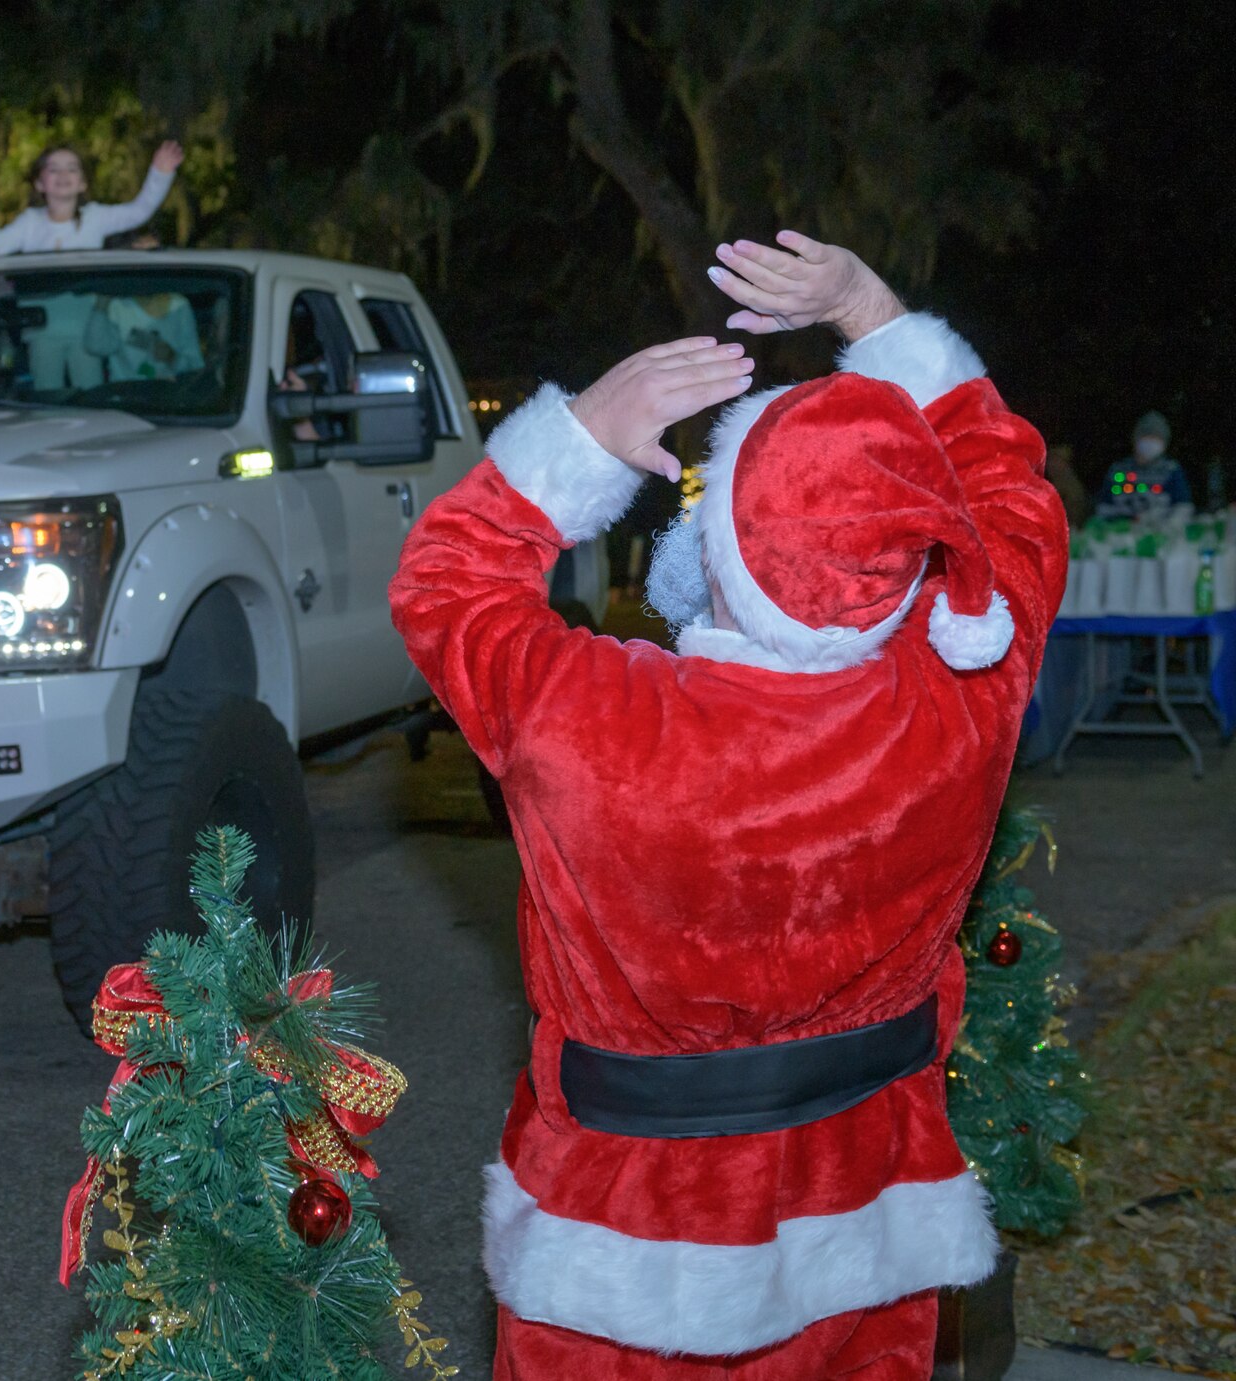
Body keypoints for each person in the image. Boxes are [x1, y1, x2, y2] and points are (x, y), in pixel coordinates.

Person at [390, 231, 1067, 1380]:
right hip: (869, 1212)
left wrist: (580, 435)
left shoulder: (591, 717)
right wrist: (867, 305)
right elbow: (1006, 492)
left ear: (718, 547)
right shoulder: (964, 692)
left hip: (616, 1244)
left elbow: (445, 579)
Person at [0, 142, 184, 256]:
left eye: (72, 169)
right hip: (41, 323)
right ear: (39, 183)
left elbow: (139, 212)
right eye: (54, 169)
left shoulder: (95, 217)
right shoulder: (30, 222)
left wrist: (160, 173)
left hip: (86, 319)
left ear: (83, 182)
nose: (63, 175)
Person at [1096, 410, 1191, 517]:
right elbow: (1103, 506)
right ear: (1136, 439)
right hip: (1121, 530)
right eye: (1146, 436)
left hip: (1159, 529)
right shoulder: (1118, 470)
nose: (1150, 442)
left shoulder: (1171, 470)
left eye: (1156, 438)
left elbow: (1183, 506)